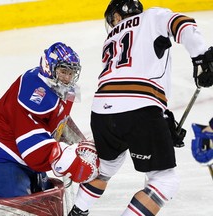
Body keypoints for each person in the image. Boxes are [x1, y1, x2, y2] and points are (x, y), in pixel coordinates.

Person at [68, 0, 213, 215]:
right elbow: (183, 23)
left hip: (101, 112)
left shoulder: (111, 37)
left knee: (106, 166)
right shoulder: (151, 16)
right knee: (164, 181)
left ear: (118, 16)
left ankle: (77, 211)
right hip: (140, 109)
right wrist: (201, 57)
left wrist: (161, 120)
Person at [0, 42, 100, 198]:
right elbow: (30, 142)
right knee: (22, 206)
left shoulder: (59, 88)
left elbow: (58, 122)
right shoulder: (36, 92)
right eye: (63, 71)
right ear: (48, 68)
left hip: (21, 159)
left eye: (71, 73)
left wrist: (80, 146)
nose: (67, 78)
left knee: (46, 199)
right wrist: (65, 158)